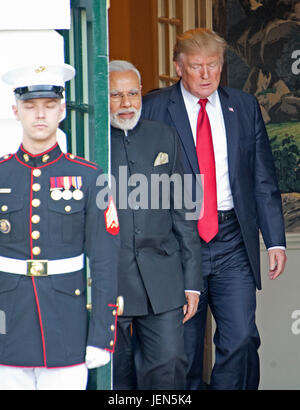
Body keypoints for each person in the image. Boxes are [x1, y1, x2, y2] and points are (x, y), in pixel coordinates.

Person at [142, 28, 287, 390]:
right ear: (178, 67)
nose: (206, 75)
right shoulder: (154, 107)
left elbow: (262, 179)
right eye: (196, 67)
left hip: (231, 239)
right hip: (176, 243)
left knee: (240, 339)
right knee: (181, 349)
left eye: (213, 65)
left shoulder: (244, 106)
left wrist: (275, 240)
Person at [0, 63, 120, 390]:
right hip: (6, 326)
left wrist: (101, 335)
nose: (40, 114)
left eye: (49, 105)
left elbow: (105, 263)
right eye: (30, 106)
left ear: (62, 110)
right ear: (15, 110)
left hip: (66, 327)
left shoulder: (92, 178)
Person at [109, 60, 203, 390]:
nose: (126, 104)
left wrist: (192, 281)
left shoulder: (165, 136)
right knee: (113, 376)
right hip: (110, 280)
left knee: (169, 367)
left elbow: (184, 213)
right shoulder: (88, 142)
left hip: (162, 279)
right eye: (116, 95)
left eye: (133, 93)